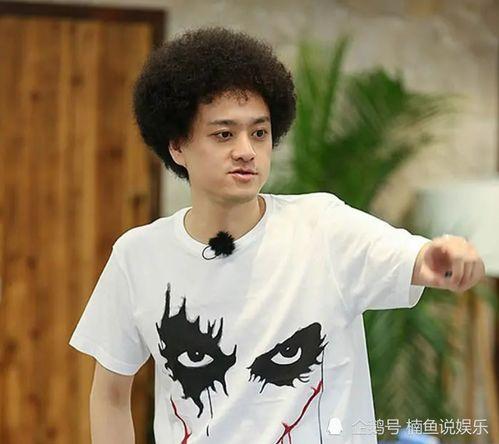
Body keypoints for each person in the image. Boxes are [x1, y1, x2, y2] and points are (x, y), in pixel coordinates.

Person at [69, 27, 486, 444]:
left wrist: (446, 256)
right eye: (224, 134)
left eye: (259, 133)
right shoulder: (139, 255)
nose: (246, 150)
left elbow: (418, 259)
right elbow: (109, 395)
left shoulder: (323, 228)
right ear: (178, 146)